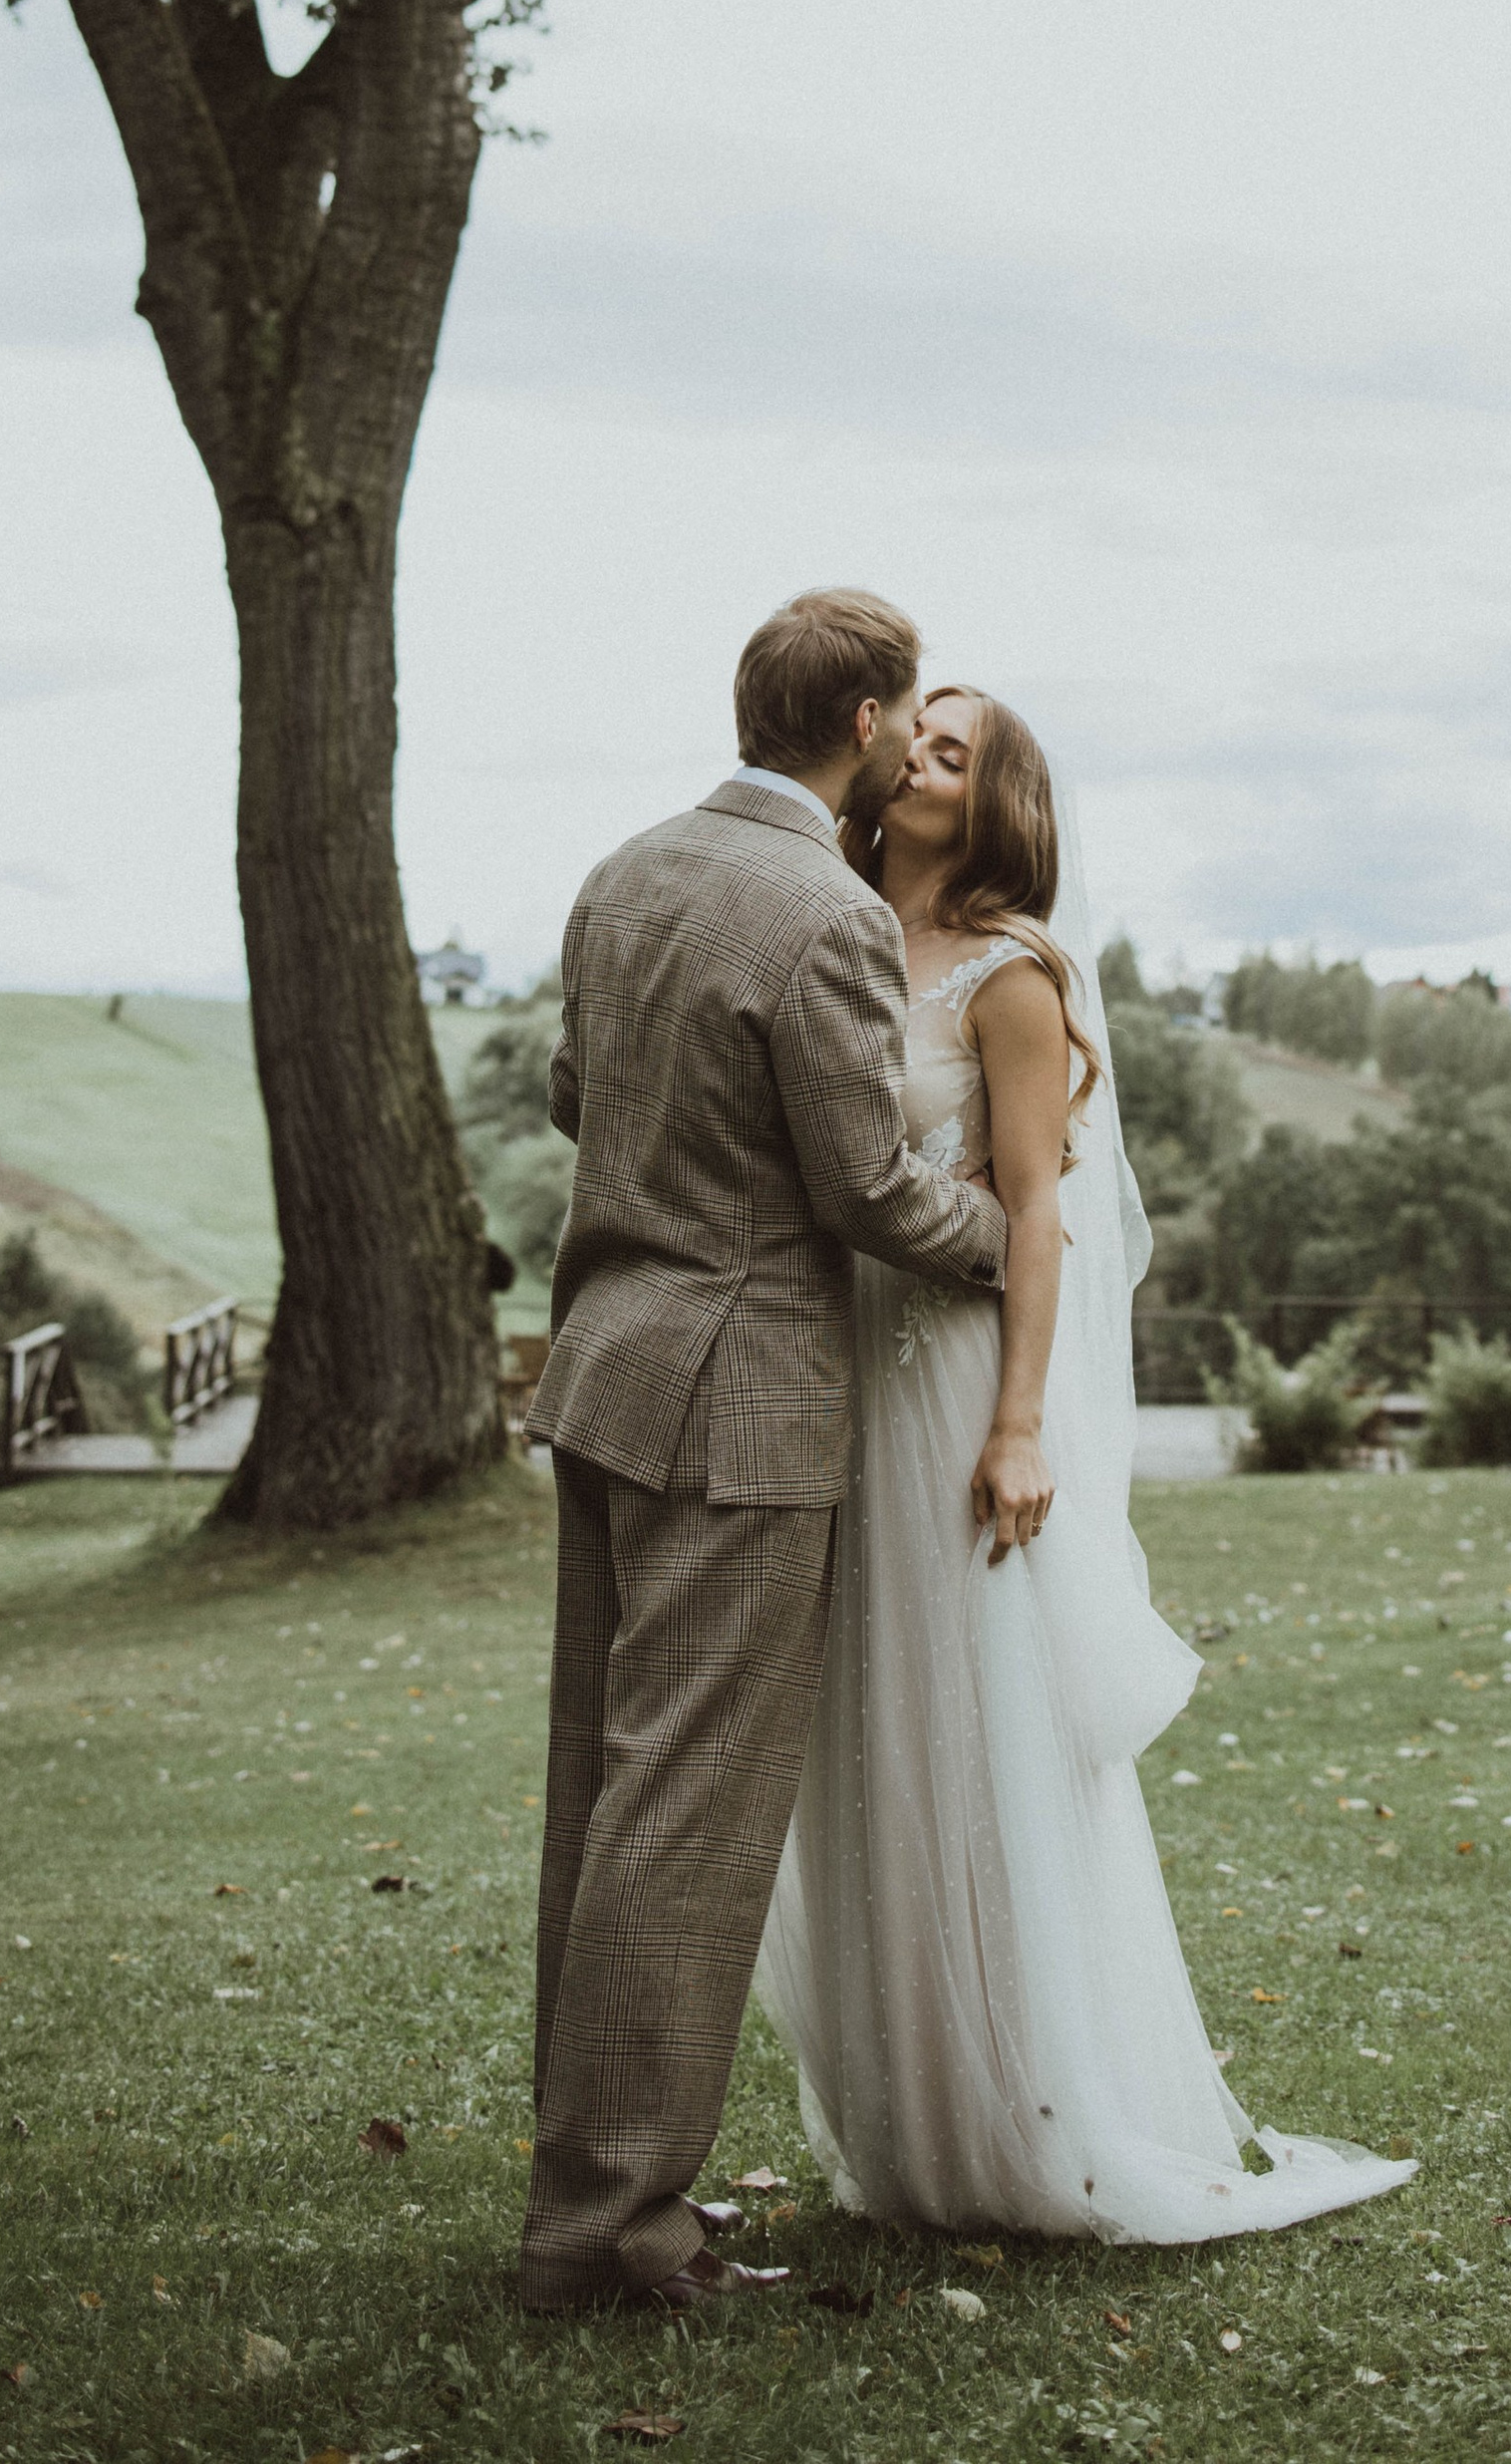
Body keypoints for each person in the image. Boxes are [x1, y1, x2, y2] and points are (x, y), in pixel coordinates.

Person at [756, 684, 1415, 2240]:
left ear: (999, 800)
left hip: (953, 1383)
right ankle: (909, 2122)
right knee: (866, 1736)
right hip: (834, 1373)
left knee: (976, 1738)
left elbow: (1042, 1214)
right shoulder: (833, 931)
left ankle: (1033, 2112)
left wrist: (1017, 1423)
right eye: (914, 730)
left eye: (956, 745)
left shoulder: (1014, 977)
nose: (918, 748)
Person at [517, 591, 1012, 2316]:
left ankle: (587, 2191)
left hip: (600, 1373)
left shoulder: (628, 871)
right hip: (736, 1407)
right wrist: (1007, 1238)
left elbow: (578, 1097)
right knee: (688, 1822)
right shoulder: (825, 913)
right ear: (867, 727)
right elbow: (869, 1188)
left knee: (602, 1798)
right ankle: (612, 2238)